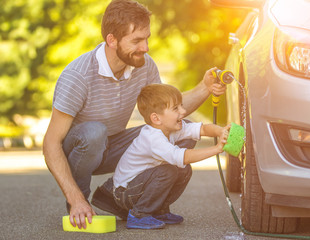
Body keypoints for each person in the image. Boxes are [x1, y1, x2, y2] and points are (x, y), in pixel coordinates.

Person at [42, 0, 226, 230]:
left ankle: (127, 200)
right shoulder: (78, 76)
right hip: (81, 150)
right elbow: (50, 143)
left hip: (114, 145)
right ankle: (80, 203)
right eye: (137, 40)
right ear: (112, 40)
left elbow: (167, 112)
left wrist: (205, 87)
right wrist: (75, 198)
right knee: (93, 133)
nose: (146, 47)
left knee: (181, 126)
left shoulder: (144, 66)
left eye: (146, 38)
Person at [112, 83, 230, 229]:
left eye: (181, 105)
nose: (183, 111)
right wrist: (217, 148)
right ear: (156, 119)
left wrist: (221, 131)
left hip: (138, 186)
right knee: (168, 171)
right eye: (176, 108)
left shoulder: (170, 127)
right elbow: (183, 156)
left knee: (184, 170)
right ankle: (139, 214)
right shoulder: (152, 138)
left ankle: (158, 210)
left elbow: (202, 129)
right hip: (125, 193)